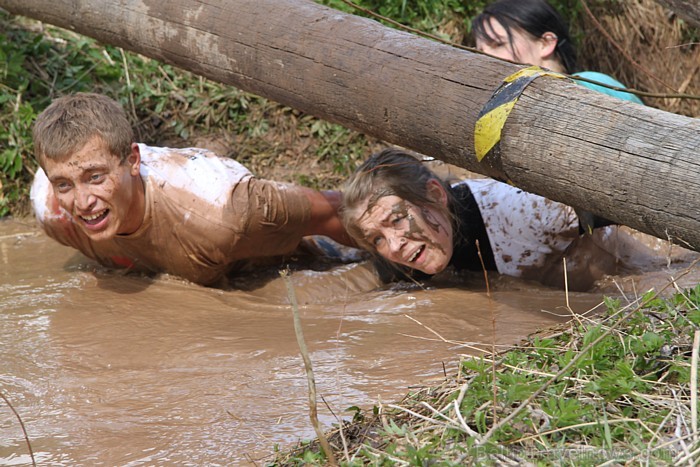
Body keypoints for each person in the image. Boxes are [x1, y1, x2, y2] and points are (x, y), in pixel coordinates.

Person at [30, 92, 357, 287]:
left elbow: (340, 210)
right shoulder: (54, 212)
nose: (83, 202)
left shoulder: (222, 212)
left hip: (289, 267)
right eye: (65, 184)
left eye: (96, 177)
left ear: (132, 160)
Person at [341, 148, 657, 291]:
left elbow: (632, 199)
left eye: (397, 220)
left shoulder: (527, 210)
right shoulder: (400, 258)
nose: (395, 245)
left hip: (629, 272)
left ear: (436, 196)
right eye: (377, 239)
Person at [471, 0, 644, 104]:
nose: (483, 56)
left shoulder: (593, 84)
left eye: (498, 44)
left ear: (545, 43)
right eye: (480, 50)